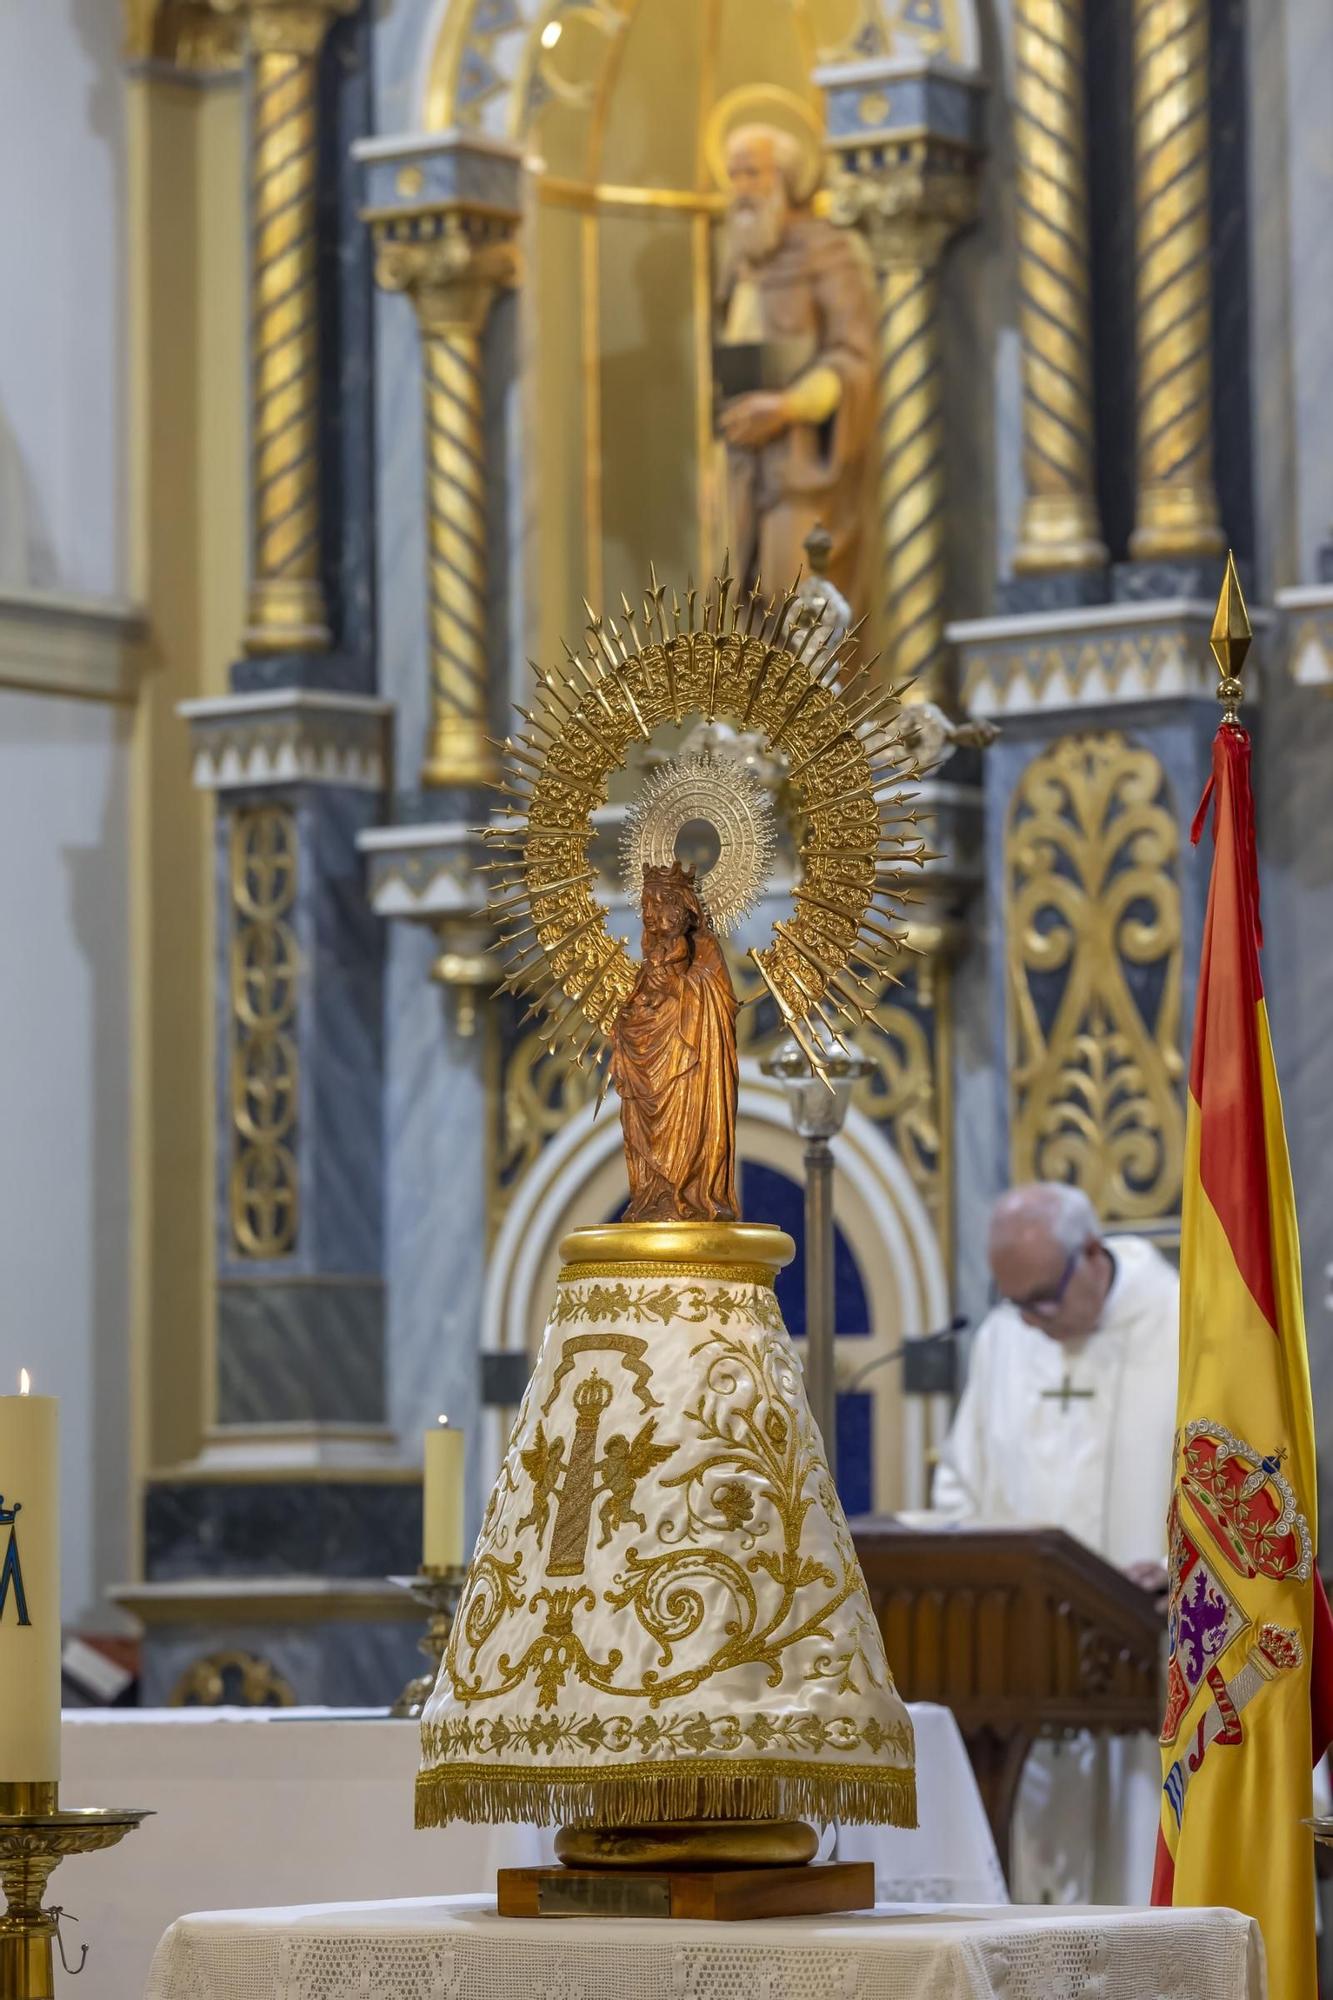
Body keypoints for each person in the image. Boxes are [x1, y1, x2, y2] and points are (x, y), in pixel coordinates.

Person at [932, 1183, 1180, 1905]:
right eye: (1015, 1302)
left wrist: (1176, 1569)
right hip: (1034, 1676)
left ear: (1093, 1256)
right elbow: (962, 1486)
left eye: (1043, 1298)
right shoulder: (1004, 1340)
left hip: (1151, 1666)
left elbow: (1236, 1483)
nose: (1031, 1321)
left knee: (1138, 1876)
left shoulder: (1181, 1325)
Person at [715, 123, 875, 601]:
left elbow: (855, 357)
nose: (742, 189)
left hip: (803, 470)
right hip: (742, 469)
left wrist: (787, 407)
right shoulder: (738, 263)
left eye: (753, 174)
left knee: (800, 607)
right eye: (734, 176)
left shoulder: (826, 251)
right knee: (739, 620)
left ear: (785, 177)